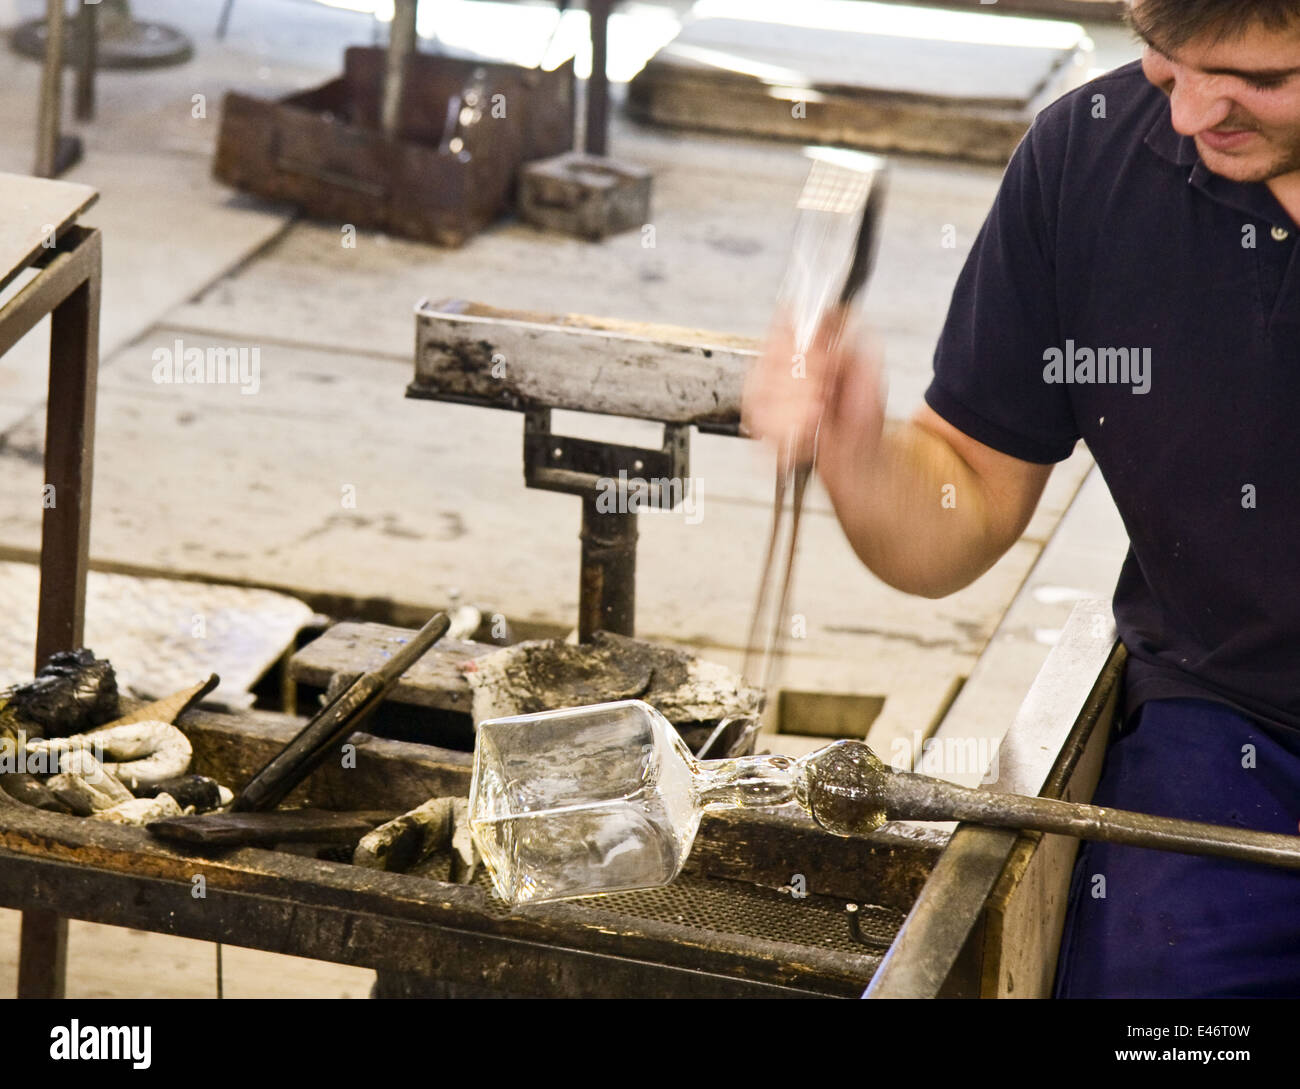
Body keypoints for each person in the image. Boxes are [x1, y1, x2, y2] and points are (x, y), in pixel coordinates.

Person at [742, 0, 1300, 998]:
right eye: (1167, 63)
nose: (1185, 116)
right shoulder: (1087, 161)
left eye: (1259, 82)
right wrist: (858, 445)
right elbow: (967, 503)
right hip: (1229, 718)